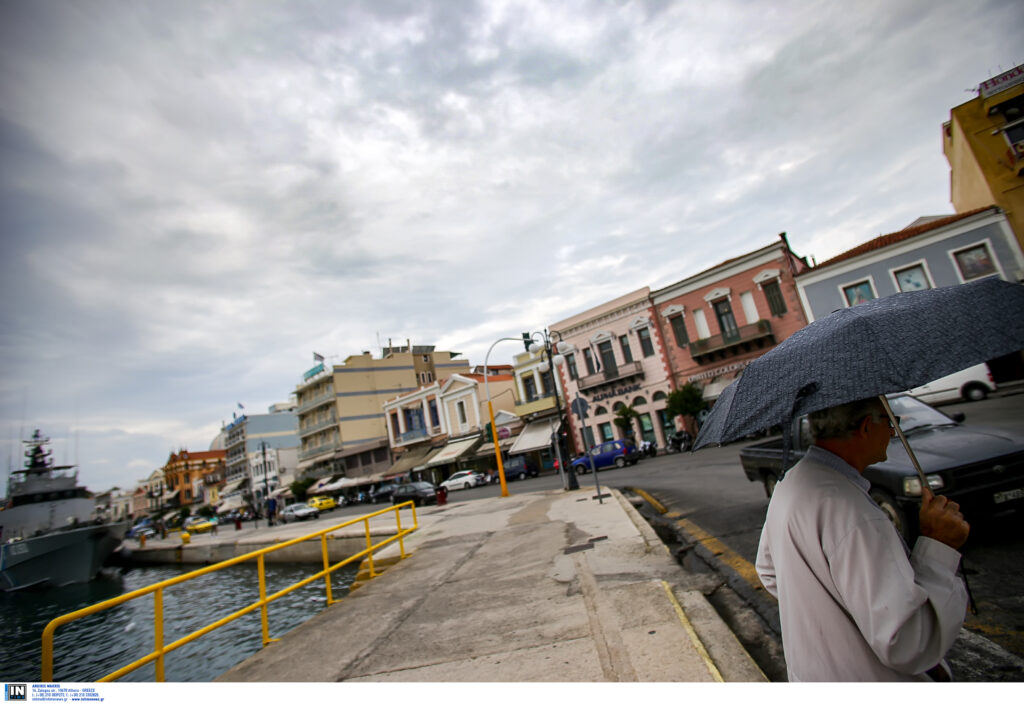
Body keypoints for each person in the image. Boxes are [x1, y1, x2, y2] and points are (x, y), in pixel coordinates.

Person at [755, 396, 970, 681]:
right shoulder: (854, 514)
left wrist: (831, 612)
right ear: (867, 427)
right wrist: (939, 544)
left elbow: (768, 571)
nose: (894, 429)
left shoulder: (790, 482)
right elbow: (906, 642)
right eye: (889, 420)